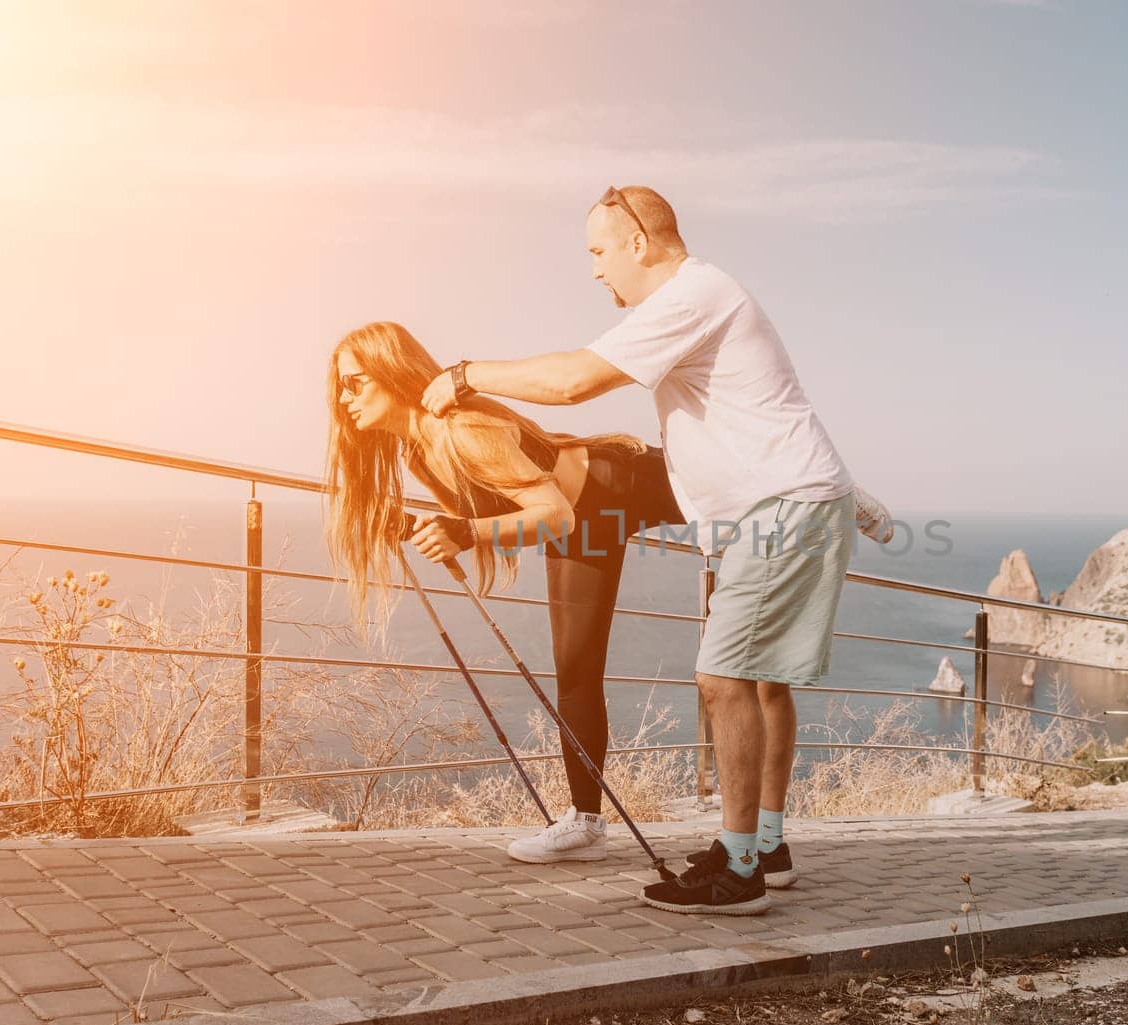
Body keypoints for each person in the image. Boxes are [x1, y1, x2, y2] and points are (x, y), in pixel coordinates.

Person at [422, 185, 856, 916]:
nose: (595, 271)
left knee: (722, 679)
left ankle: (740, 870)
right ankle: (761, 846)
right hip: (784, 506)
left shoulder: (690, 295)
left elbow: (570, 382)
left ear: (639, 242)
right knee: (759, 682)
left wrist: (464, 375)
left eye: (598, 251)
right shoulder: (708, 297)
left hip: (779, 513)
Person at [323, 320, 686, 863]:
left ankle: (836, 495)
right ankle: (585, 822)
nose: (345, 398)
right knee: (576, 669)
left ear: (390, 370)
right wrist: (420, 526)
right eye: (340, 388)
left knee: (751, 489)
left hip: (621, 482)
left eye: (355, 381)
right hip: (585, 524)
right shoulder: (421, 452)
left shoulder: (461, 427)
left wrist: (464, 534)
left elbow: (550, 513)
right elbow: (494, 509)